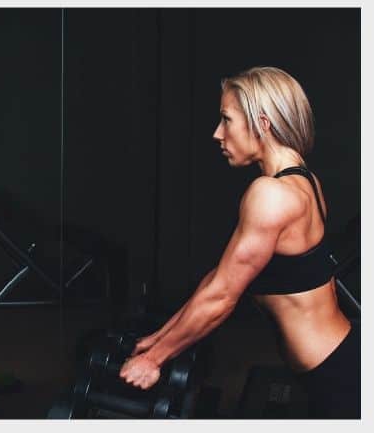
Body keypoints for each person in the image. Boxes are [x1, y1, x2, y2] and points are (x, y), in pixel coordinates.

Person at [119, 66, 360, 419]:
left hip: (337, 375)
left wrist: (152, 362)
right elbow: (219, 278)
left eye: (226, 120)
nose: (218, 134)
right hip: (340, 357)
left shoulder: (270, 195)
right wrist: (159, 339)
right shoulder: (305, 181)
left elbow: (222, 296)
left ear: (262, 124)